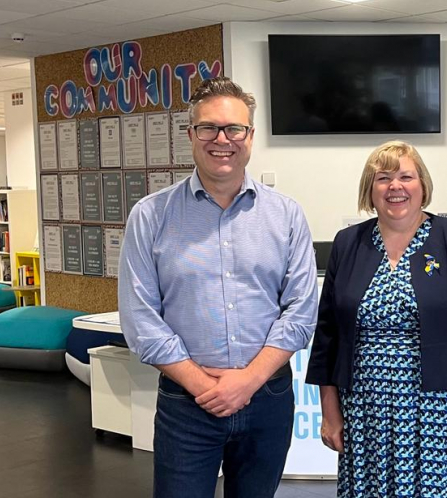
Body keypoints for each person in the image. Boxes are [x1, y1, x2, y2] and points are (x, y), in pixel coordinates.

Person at [119, 77, 318, 498]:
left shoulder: (286, 215)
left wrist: (246, 382)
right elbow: (140, 319)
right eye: (208, 128)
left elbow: (300, 312)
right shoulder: (150, 216)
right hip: (186, 404)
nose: (221, 139)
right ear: (191, 134)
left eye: (234, 129)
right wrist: (204, 386)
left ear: (250, 136)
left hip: (267, 397)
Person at [307, 141, 447, 498]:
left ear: (422, 185)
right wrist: (330, 413)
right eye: (383, 178)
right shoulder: (349, 243)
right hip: (366, 414)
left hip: (438, 412)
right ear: (370, 189)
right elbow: (328, 336)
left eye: (405, 176)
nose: (395, 186)